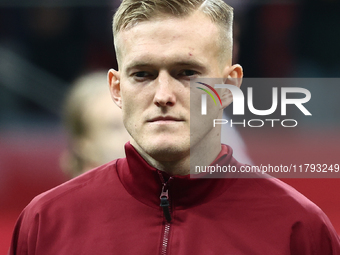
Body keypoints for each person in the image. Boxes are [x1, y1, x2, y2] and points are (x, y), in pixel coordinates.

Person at [8, 0, 340, 254]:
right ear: (117, 89)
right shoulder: (45, 223)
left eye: (186, 72)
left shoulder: (299, 229)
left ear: (229, 87)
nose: (163, 95)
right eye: (143, 74)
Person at [60, 71, 130, 177]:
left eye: (131, 121)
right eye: (116, 127)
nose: (131, 134)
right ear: (84, 146)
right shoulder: (82, 192)